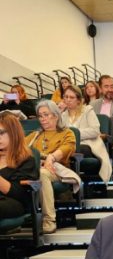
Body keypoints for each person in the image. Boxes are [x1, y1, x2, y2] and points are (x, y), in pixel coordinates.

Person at [25, 100, 76, 234]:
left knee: (42, 173)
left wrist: (50, 157)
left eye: (46, 115)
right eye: (40, 116)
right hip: (33, 169)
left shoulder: (67, 133)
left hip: (55, 171)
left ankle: (49, 220)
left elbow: (66, 149)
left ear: (56, 116)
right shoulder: (35, 135)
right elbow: (19, 149)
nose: (42, 119)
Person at [0, 112, 39, 259]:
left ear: (13, 133)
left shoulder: (25, 159)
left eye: (1, 133)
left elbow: (19, 193)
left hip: (14, 202)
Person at [61, 85, 112, 184]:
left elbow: (95, 131)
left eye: (71, 97)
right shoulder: (62, 115)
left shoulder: (87, 110)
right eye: (66, 97)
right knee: (64, 149)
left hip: (89, 146)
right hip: (69, 146)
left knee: (72, 149)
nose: (68, 100)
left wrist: (75, 134)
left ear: (78, 100)